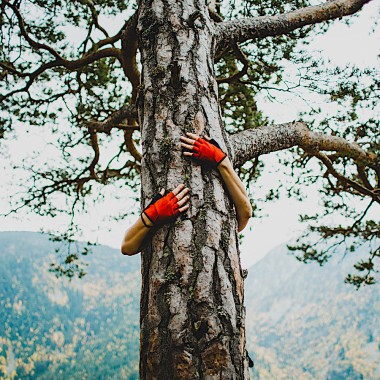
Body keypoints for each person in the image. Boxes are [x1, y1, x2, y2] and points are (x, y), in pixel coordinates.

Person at [121, 132, 252, 255]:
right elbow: (127, 247)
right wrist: (222, 162)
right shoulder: (222, 226)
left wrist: (153, 215)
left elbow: (246, 213)